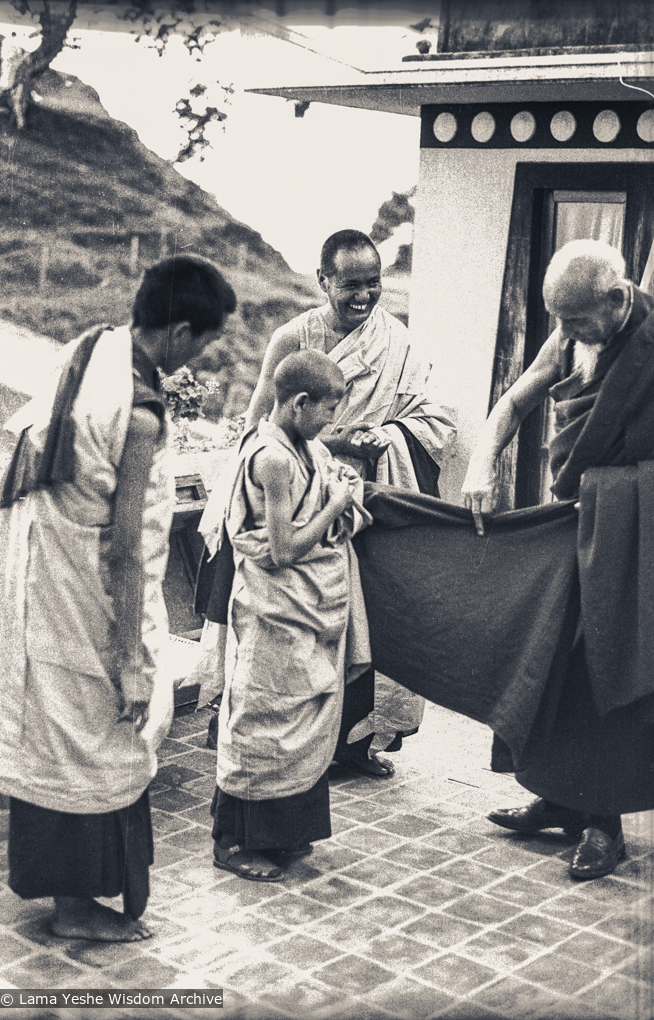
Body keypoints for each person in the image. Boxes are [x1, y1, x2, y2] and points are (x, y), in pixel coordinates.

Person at [0, 256, 236, 940]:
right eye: (205, 344)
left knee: (58, 730)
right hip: (83, 591)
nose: (200, 359)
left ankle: (71, 896)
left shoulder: (92, 347)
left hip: (37, 572)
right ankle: (76, 909)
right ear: (183, 331)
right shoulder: (137, 413)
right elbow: (127, 549)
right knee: (105, 732)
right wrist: (132, 656)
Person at [461, 237, 654, 880]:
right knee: (557, 660)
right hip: (579, 522)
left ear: (618, 297)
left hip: (635, 535)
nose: (566, 333)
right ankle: (562, 799)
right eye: (558, 321)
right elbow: (513, 404)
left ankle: (604, 824)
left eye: (576, 319)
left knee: (607, 661)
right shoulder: (571, 340)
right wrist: (482, 467)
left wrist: (626, 494)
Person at [238, 228, 455, 777]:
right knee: (315, 626)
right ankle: (300, 745)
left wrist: (386, 437)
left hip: (371, 501)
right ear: (323, 281)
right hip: (305, 500)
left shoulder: (396, 341)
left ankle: (356, 744)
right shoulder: (293, 337)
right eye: (350, 284)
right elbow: (258, 427)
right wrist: (334, 444)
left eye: (373, 283)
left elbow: (434, 420)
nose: (363, 296)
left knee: (369, 620)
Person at [207, 349, 371, 882]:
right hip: (276, 608)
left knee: (300, 720)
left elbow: (320, 477)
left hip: (305, 608)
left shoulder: (304, 444)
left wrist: (335, 481)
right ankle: (232, 843)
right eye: (327, 410)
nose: (331, 421)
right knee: (264, 720)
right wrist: (336, 503)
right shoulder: (272, 456)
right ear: (299, 403)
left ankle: (282, 832)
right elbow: (281, 549)